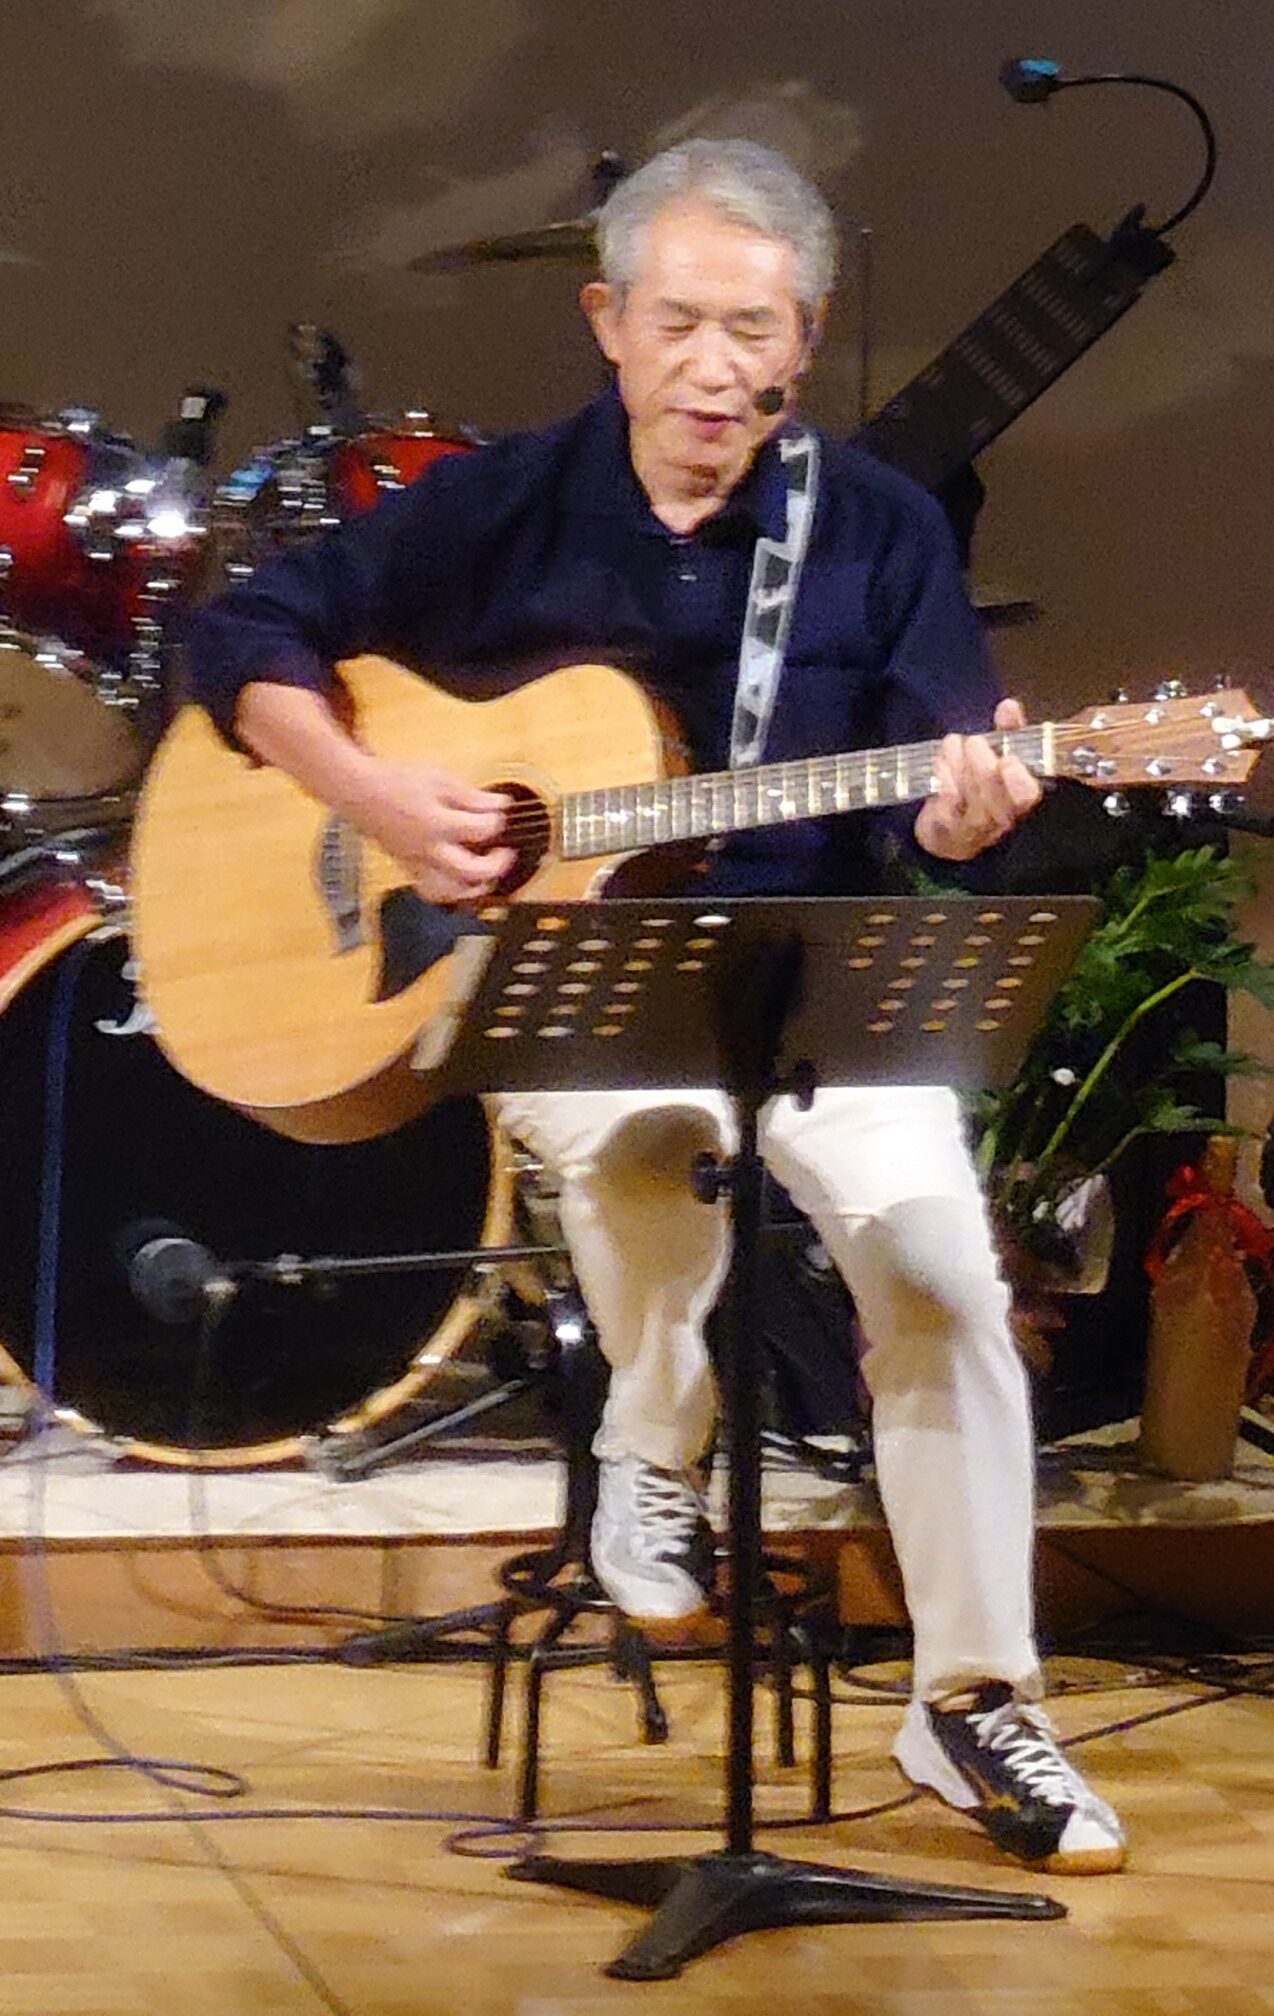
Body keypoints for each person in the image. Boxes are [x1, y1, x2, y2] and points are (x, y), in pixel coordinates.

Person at [190, 138, 1125, 1877]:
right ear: (607, 321)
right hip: (583, 988)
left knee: (942, 1277)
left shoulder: (878, 526)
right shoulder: (504, 503)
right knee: (644, 1157)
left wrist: (965, 813)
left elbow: (942, 792)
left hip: (820, 973)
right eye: (678, 322)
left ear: (806, 341)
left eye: (752, 330)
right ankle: (654, 1433)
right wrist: (378, 797)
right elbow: (241, 635)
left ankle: (976, 1701)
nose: (712, 366)